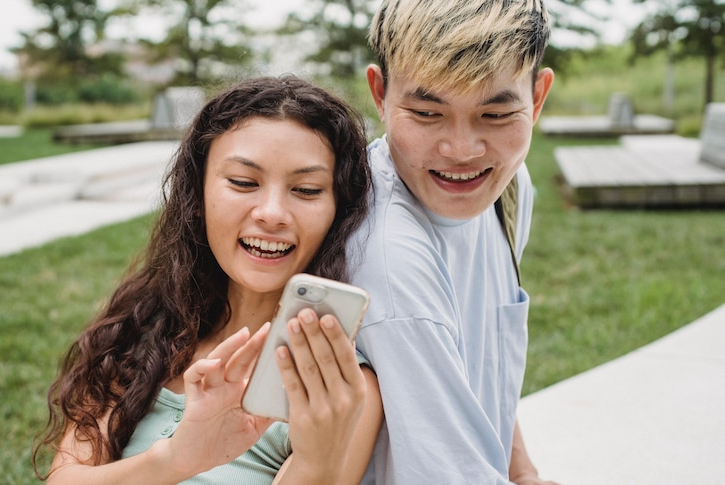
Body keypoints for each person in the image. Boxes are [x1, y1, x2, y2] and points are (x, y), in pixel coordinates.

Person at [33, 75, 383, 484]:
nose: (272, 213)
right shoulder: (144, 328)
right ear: (196, 198)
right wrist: (177, 459)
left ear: (337, 212)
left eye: (306, 190)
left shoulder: (339, 386)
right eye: (243, 182)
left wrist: (319, 460)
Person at [347, 0, 558, 484]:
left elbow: (480, 364)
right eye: (427, 112)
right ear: (379, 94)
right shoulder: (388, 256)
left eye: (496, 115)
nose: (462, 151)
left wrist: (521, 469)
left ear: (538, 98)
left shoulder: (508, 189)